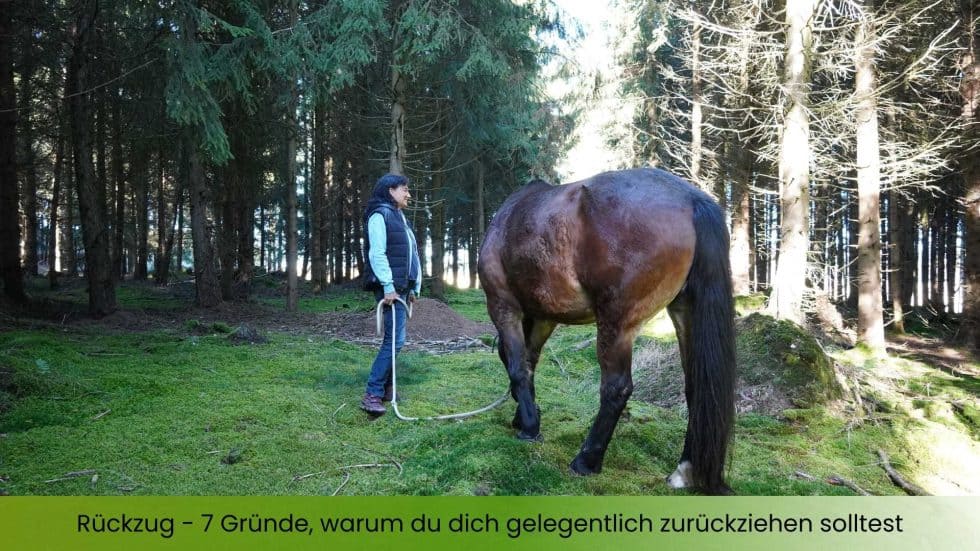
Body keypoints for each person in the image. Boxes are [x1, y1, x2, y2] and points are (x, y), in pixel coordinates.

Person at [360, 173, 422, 415]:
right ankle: (372, 393)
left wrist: (415, 287)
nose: (408, 194)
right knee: (394, 341)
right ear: (390, 191)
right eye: (404, 189)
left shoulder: (400, 217)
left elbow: (413, 254)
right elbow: (377, 253)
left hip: (402, 290)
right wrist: (387, 285)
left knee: (396, 340)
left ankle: (386, 388)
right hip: (391, 290)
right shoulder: (380, 215)